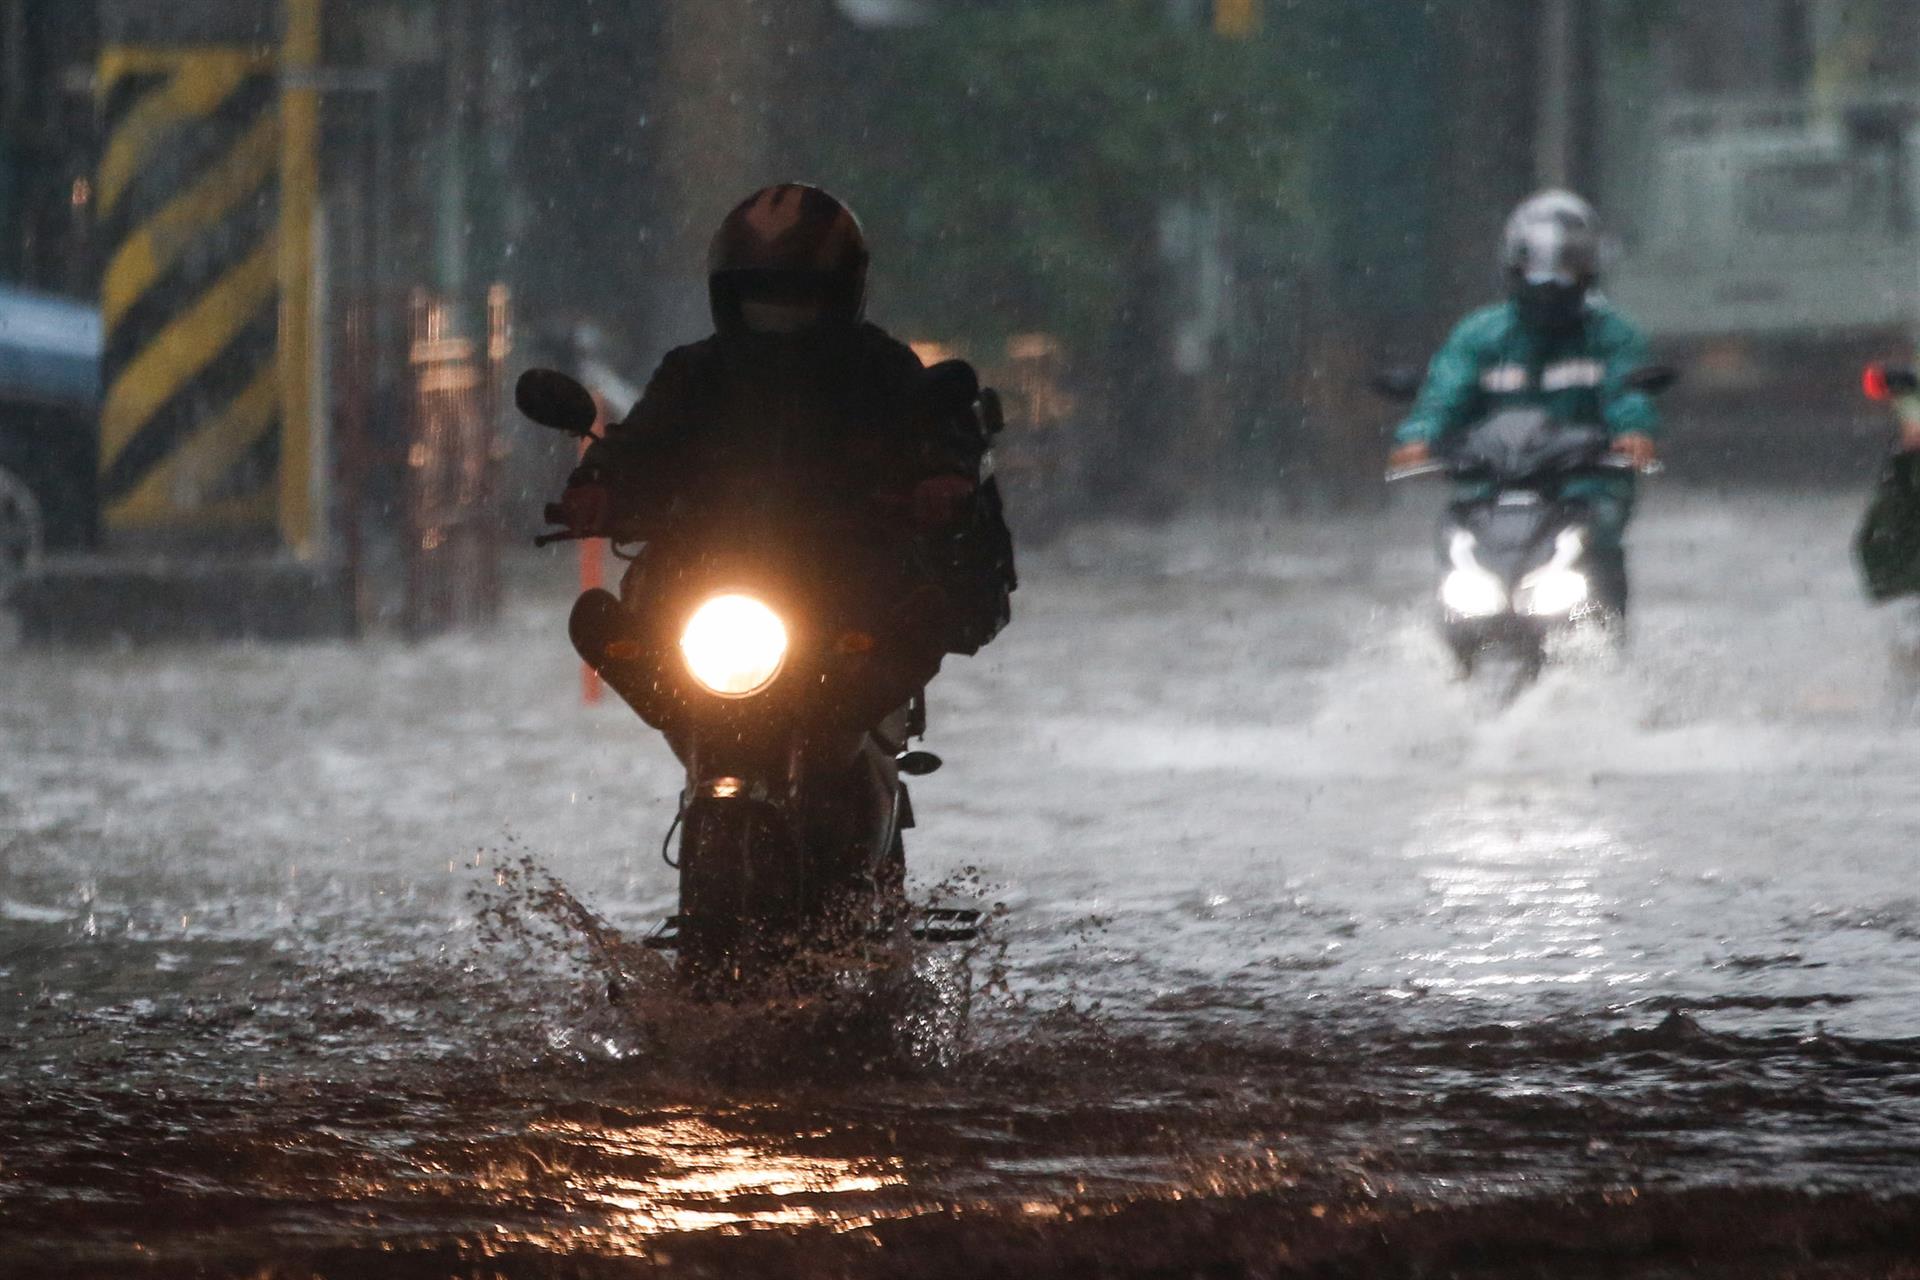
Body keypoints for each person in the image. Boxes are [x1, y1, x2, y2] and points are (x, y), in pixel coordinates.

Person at [554, 182, 1014, 740]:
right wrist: (600, 483)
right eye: (761, 301)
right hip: (715, 577)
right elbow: (642, 441)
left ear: (844, 294)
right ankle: (700, 735)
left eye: (802, 301)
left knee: (917, 611)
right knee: (619, 617)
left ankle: (856, 754)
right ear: (726, 297)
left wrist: (941, 479)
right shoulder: (694, 373)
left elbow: (937, 429)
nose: (780, 318)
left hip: (848, 579)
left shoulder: (882, 369)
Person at [1389, 190, 1660, 613]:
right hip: (1491, 490)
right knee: (1452, 535)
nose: (1549, 281)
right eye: (1535, 265)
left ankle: (1602, 642)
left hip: (1583, 490)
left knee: (1600, 537)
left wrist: (1632, 433)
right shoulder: (1480, 335)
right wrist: (1420, 437)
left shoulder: (1612, 336)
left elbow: (1628, 395)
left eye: (1566, 264)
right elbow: (1443, 394)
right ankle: (1450, 631)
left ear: (1590, 267)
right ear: (1513, 264)